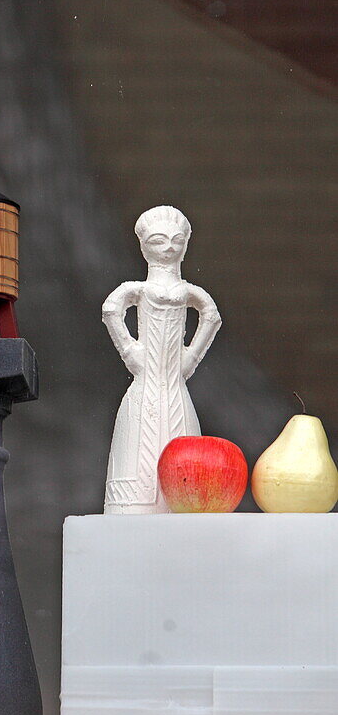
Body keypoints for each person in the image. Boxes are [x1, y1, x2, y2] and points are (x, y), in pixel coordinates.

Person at [102, 206, 221, 514]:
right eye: (159, 240)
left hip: (174, 386)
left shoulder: (187, 292)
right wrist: (130, 351)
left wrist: (190, 359)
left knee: (181, 455)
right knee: (138, 447)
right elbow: (111, 308)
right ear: (144, 245)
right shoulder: (139, 289)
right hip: (146, 385)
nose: (169, 247)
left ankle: (175, 501)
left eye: (176, 240)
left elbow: (211, 315)